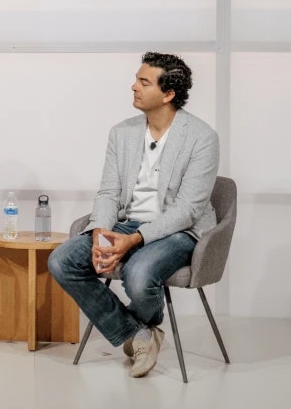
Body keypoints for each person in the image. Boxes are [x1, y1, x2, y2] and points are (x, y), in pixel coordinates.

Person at [48, 52, 219, 378]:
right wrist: (100, 232)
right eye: (136, 80)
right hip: (126, 222)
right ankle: (139, 334)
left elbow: (188, 209)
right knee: (62, 260)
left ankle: (135, 329)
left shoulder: (202, 138)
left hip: (178, 231)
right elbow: (109, 193)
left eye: (144, 82)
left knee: (139, 274)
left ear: (168, 94)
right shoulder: (122, 133)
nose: (134, 87)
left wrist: (135, 240)